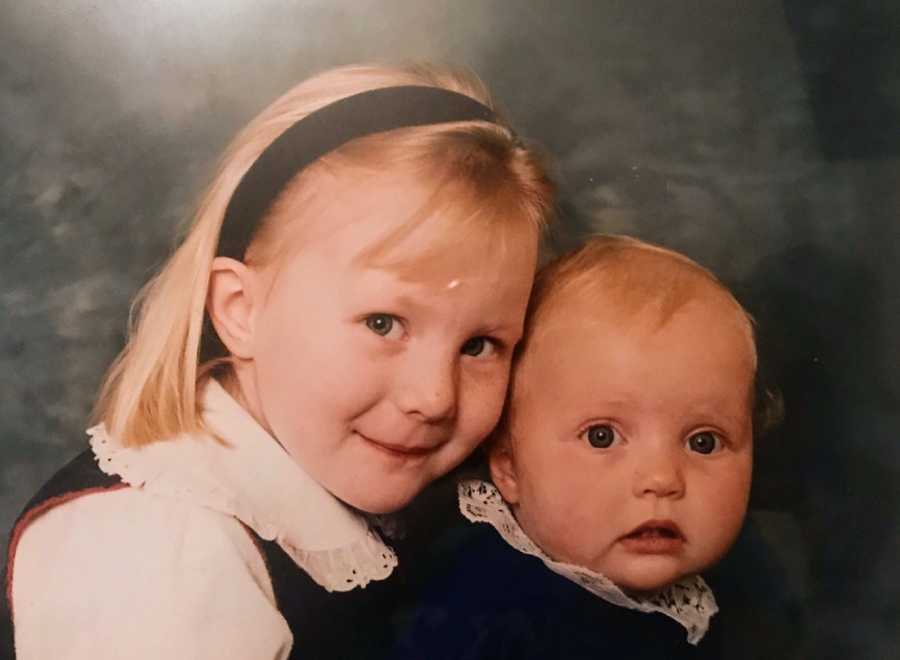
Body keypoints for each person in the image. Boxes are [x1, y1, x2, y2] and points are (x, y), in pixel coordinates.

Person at [2, 63, 556, 659]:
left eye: (480, 345)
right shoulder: (155, 550)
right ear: (241, 310)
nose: (435, 396)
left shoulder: (355, 494)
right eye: (383, 323)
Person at [393, 235, 782, 659]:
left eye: (703, 442)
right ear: (508, 466)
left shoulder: (734, 588)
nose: (662, 479)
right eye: (602, 437)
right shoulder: (482, 610)